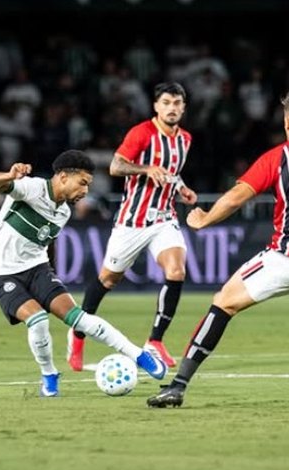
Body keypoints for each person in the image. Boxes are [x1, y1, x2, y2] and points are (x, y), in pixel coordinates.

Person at [147, 90, 289, 408]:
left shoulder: (280, 155)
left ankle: (177, 386)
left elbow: (235, 197)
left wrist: (204, 219)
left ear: (287, 123)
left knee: (223, 303)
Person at [0, 150, 167, 397]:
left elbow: (47, 243)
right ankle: (49, 374)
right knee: (38, 320)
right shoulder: (31, 188)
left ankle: (138, 355)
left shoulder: (64, 212)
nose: (85, 191)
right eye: (83, 183)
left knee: (78, 317)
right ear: (64, 177)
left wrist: (51, 275)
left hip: (36, 267)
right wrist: (9, 175)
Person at [67, 82, 198, 371]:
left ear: (183, 107)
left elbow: (172, 174)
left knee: (176, 270)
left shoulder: (185, 139)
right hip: (132, 221)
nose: (172, 108)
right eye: (166, 103)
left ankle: (156, 341)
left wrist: (182, 189)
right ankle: (77, 334)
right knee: (108, 280)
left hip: (164, 218)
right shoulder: (142, 133)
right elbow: (115, 166)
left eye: (177, 103)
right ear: (156, 106)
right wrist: (145, 169)